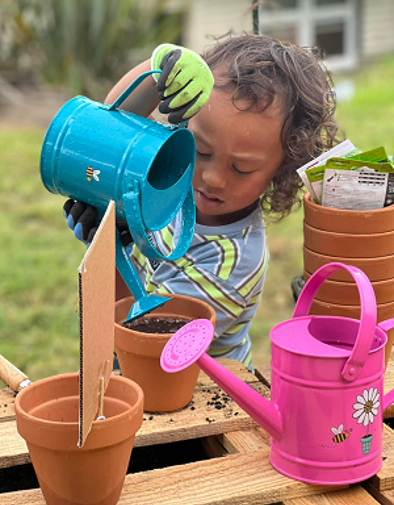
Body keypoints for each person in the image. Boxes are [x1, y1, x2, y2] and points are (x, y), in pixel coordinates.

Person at [64, 34, 338, 371]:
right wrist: (159, 72)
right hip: (137, 374)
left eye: (242, 168)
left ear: (280, 172)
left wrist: (110, 249)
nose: (213, 178)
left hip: (199, 399)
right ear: (183, 125)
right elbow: (112, 127)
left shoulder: (233, 260)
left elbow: (146, 336)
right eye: (201, 150)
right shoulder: (171, 178)